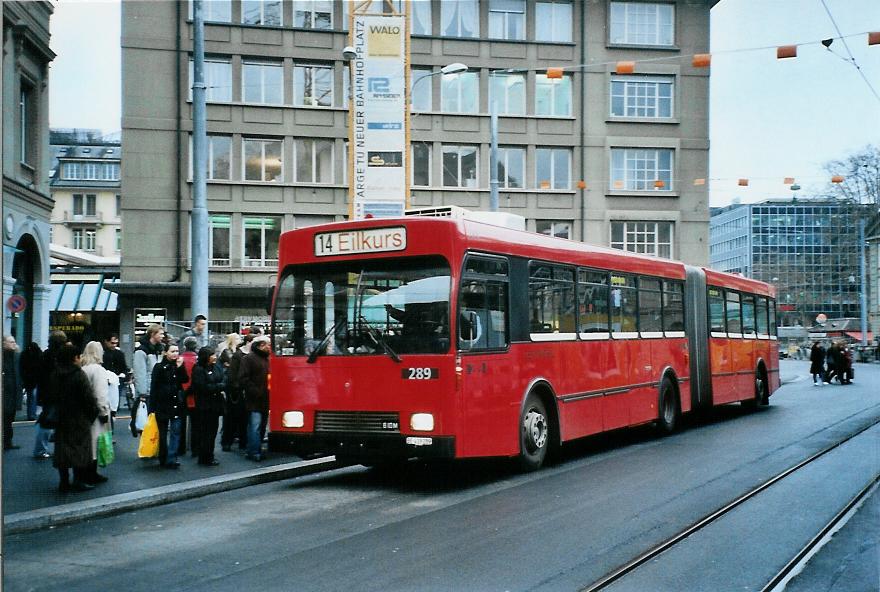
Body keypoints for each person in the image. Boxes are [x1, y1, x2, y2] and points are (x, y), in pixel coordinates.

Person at [51, 343, 99, 492]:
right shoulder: (78, 375)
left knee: (62, 449)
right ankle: (78, 480)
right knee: (80, 449)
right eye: (79, 357)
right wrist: (92, 414)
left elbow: (49, 395)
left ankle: (63, 482)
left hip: (61, 418)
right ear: (74, 358)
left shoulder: (55, 374)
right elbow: (89, 399)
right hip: (79, 418)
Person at [150, 341, 188, 468]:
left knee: (176, 431)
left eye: (177, 351)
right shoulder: (159, 367)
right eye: (172, 351)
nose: (175, 354)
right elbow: (154, 387)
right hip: (162, 403)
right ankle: (163, 456)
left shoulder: (178, 365)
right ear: (165, 352)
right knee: (162, 432)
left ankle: (172, 457)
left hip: (176, 402)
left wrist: (180, 367)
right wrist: (152, 408)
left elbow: (185, 380)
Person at [80, 341, 112, 484]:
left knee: (87, 443)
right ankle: (92, 474)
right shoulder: (98, 370)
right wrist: (104, 412)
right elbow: (100, 395)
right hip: (95, 412)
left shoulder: (83, 367)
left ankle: (86, 474)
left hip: (84, 410)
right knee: (95, 442)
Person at [34, 330, 67, 459]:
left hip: (46, 392)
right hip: (56, 393)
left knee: (46, 420)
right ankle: (45, 449)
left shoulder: (45, 354)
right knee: (53, 421)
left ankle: (41, 449)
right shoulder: (60, 356)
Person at [192, 346, 225, 466]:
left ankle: (210, 455)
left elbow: (222, 379)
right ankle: (204, 456)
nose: (215, 357)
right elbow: (203, 387)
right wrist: (218, 386)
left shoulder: (216, 367)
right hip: (204, 405)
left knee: (213, 431)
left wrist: (217, 386)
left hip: (216, 405)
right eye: (212, 355)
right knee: (205, 432)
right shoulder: (198, 369)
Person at [241, 335, 270, 462]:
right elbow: (243, 379)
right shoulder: (248, 359)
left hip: (264, 398)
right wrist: (256, 391)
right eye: (268, 345)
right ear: (260, 346)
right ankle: (254, 451)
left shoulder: (267, 359)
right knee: (255, 426)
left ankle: (255, 449)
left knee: (260, 426)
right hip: (255, 398)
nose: (270, 347)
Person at [131, 324, 164, 436]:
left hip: (156, 389)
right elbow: (140, 373)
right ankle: (147, 449)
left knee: (153, 421)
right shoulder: (141, 351)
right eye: (160, 333)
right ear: (152, 334)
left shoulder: (159, 349)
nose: (162, 336)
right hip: (148, 391)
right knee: (146, 421)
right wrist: (142, 393)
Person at [219, 333, 243, 451]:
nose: (240, 340)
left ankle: (233, 436)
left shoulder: (237, 352)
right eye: (238, 338)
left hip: (233, 385)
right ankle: (228, 438)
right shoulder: (228, 352)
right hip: (230, 386)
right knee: (230, 415)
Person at [102, 334, 129, 431]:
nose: (114, 345)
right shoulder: (103, 353)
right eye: (112, 343)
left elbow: (124, 368)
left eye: (116, 343)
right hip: (107, 381)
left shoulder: (119, 353)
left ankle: (111, 425)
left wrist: (123, 375)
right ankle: (110, 427)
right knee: (108, 405)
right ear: (106, 342)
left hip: (117, 380)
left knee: (113, 405)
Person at [179, 336, 199, 457]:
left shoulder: (180, 359)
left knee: (180, 423)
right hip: (195, 394)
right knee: (196, 423)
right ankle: (195, 448)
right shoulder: (197, 360)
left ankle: (180, 448)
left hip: (181, 393)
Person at [2, 336, 23, 450]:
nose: (14, 344)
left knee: (9, 419)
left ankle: (8, 442)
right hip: (5, 393)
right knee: (4, 418)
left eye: (14, 341)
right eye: (11, 342)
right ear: (4, 343)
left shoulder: (16, 357)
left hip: (14, 393)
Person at [20, 341, 42, 421]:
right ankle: (32, 414)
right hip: (35, 380)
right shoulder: (38, 354)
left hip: (29, 380)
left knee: (30, 397)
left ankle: (31, 414)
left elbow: (22, 368)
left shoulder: (24, 354)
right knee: (33, 397)